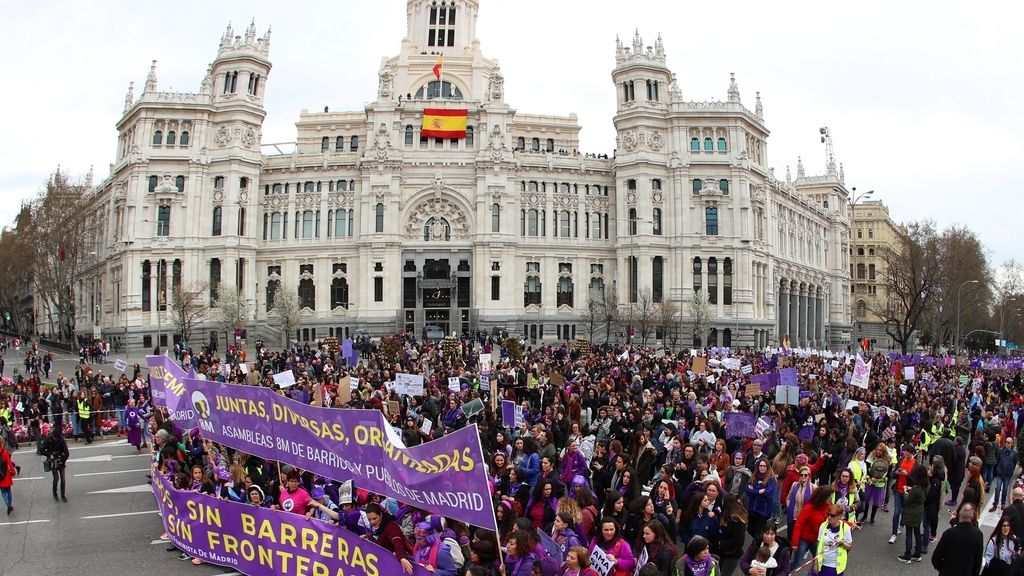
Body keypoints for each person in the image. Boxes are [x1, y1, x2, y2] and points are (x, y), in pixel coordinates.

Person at [931, 502, 984, 576]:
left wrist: (943, 569)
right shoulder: (978, 535)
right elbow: (978, 562)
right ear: (972, 517)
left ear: (959, 515)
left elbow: (935, 558)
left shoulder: (949, 533)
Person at [365, 502, 414, 575]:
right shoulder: (377, 527)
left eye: (374, 518)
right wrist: (369, 538)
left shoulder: (391, 525)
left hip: (398, 563)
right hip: (385, 564)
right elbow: (380, 540)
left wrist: (402, 557)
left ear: (381, 515)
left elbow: (397, 541)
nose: (372, 522)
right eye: (369, 519)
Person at [897, 463, 928, 563]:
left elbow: (908, 500)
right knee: (917, 533)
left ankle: (907, 555)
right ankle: (917, 554)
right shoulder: (927, 485)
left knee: (909, 534)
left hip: (911, 512)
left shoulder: (916, 488)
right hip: (919, 511)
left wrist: (906, 492)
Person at [813, 504, 853, 576]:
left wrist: (842, 543)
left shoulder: (846, 528)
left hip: (835, 567)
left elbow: (849, 546)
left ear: (839, 516)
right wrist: (815, 564)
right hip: (822, 564)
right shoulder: (823, 526)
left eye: (832, 516)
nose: (829, 517)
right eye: (828, 514)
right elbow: (819, 546)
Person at [745, 458, 777, 539]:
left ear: (767, 467)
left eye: (764, 466)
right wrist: (759, 492)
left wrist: (754, 491)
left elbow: (768, 493)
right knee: (750, 530)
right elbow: (747, 489)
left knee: (758, 533)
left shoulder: (771, 479)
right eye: (760, 466)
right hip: (752, 509)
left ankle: (759, 547)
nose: (762, 468)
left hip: (763, 512)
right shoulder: (754, 477)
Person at [41, 424, 69, 503]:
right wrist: (50, 454)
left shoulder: (61, 440)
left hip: (61, 460)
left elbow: (67, 453)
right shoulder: (48, 439)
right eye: (55, 438)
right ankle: (55, 493)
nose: (56, 440)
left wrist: (62, 459)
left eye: (57, 438)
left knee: (63, 479)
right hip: (52, 460)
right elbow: (41, 450)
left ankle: (63, 495)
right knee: (56, 478)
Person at [0, 435, 14, 514]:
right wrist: (13, 472)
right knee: (8, 491)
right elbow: (9, 463)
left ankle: (7, 504)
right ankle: (10, 504)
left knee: (2, 492)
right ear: (2, 443)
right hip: (6, 475)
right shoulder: (4, 452)